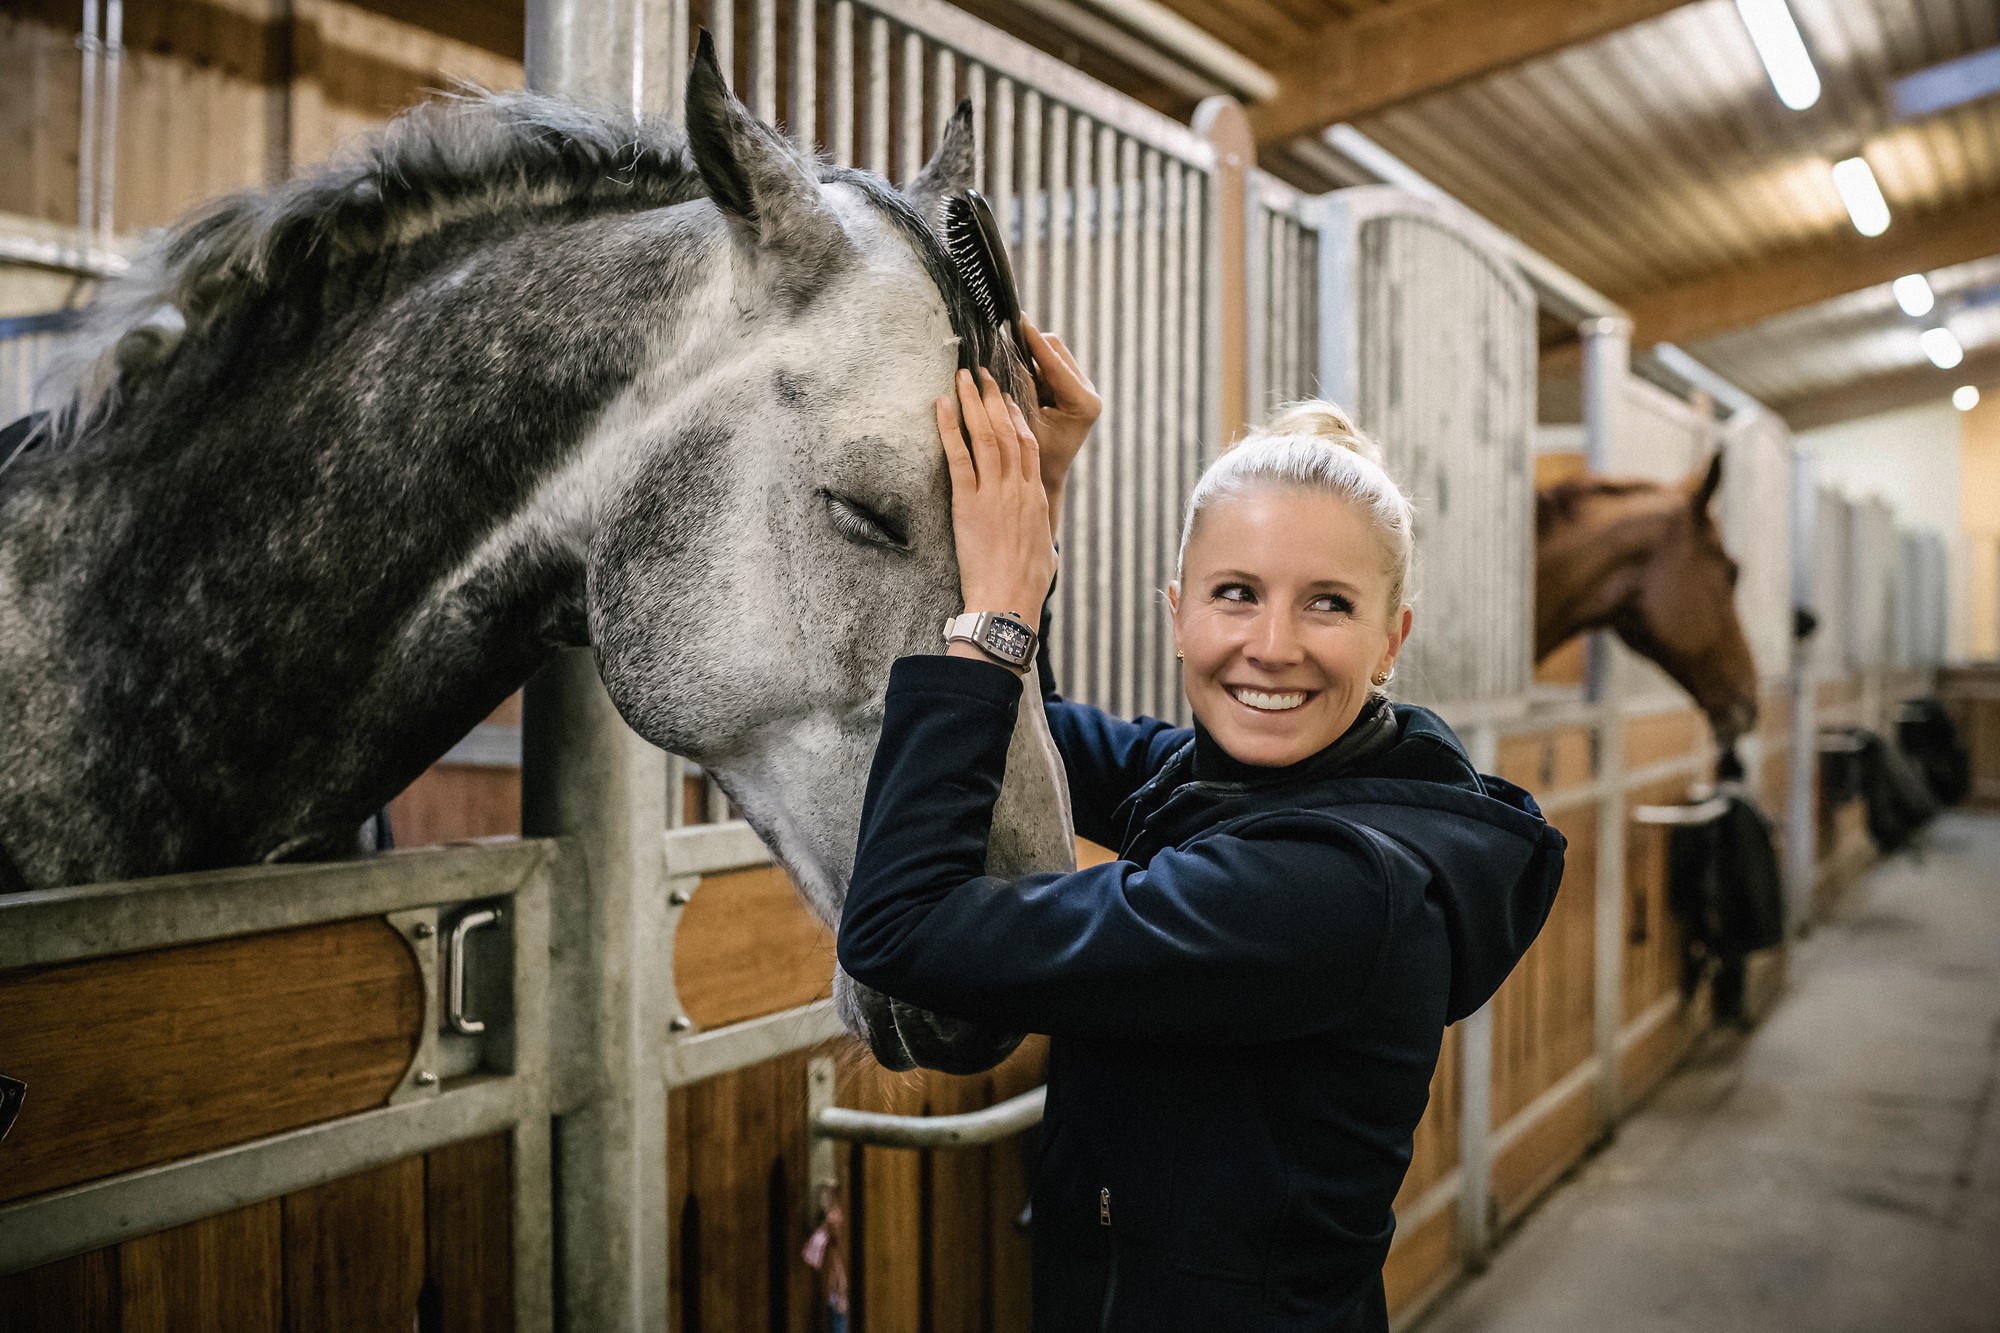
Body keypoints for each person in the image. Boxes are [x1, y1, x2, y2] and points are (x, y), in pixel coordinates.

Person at [837, 321, 1565, 1332]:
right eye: (1235, 594)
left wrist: (1000, 608)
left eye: (1326, 605)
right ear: (1176, 613)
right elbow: (1026, 733)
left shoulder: (1330, 893)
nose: (1271, 646)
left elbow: (900, 928)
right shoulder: (1227, 780)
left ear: (1390, 640)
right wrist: (1034, 506)